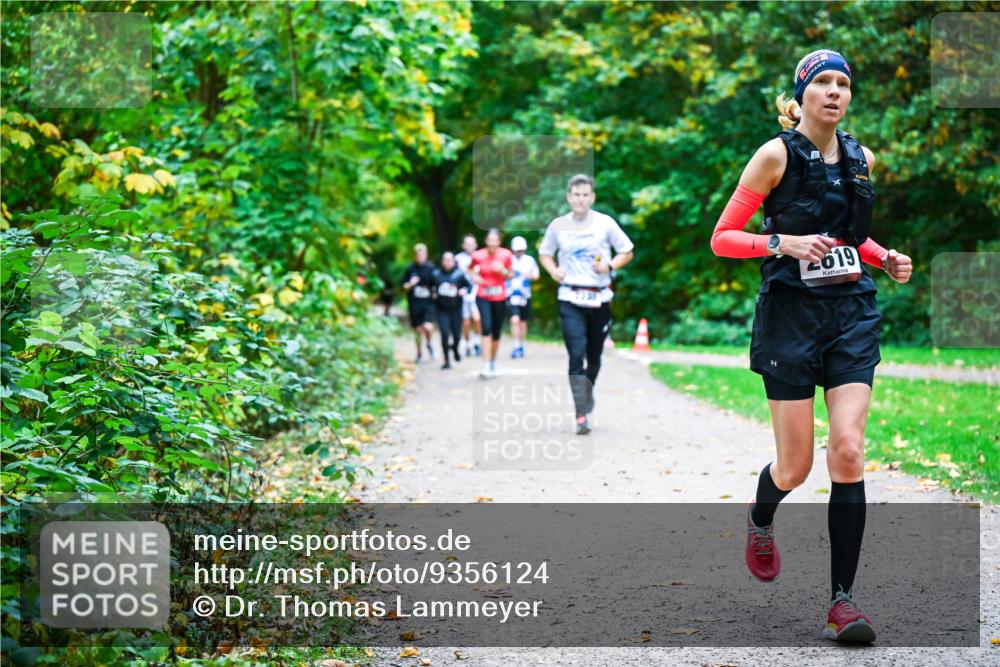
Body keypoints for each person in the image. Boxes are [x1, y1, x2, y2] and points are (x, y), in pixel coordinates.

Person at [709, 49, 912, 644]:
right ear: (801, 94)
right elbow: (723, 238)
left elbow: (851, 235)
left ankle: (842, 602)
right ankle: (761, 514)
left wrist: (884, 257)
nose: (834, 91)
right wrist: (783, 243)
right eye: (822, 81)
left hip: (850, 312)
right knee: (795, 467)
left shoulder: (861, 157)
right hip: (790, 319)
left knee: (848, 450)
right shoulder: (774, 154)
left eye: (843, 82)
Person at [539, 174, 634, 435]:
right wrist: (553, 270)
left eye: (585, 195)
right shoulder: (558, 225)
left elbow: (627, 250)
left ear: (591, 197)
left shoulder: (605, 223)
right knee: (576, 355)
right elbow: (545, 253)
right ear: (569, 197)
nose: (580, 199)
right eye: (576, 195)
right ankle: (581, 412)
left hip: (599, 297)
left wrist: (610, 265)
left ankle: (587, 392)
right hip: (569, 297)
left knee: (594, 358)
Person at [469, 228, 514, 378]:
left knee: (496, 331)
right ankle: (486, 364)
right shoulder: (478, 255)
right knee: (485, 327)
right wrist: (475, 277)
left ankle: (493, 361)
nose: (493, 243)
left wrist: (503, 271)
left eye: (496, 240)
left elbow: (511, 274)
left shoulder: (506, 254)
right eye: (490, 240)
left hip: (499, 297)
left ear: (499, 242)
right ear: (486, 241)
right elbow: (470, 270)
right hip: (483, 295)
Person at [432, 251, 472, 370]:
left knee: (456, 335)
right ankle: (446, 360)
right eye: (445, 260)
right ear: (442, 261)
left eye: (450, 260)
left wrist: (464, 291)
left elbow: (469, 286)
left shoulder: (459, 274)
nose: (448, 262)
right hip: (441, 310)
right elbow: (430, 287)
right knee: (444, 333)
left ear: (454, 261)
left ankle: (455, 348)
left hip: (456, 310)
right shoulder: (436, 274)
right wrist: (432, 293)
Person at [401, 243, 438, 363]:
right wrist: (411, 284)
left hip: (428, 303)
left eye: (422, 254)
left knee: (428, 326)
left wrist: (434, 293)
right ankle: (419, 353)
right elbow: (404, 287)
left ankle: (429, 343)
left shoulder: (431, 268)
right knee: (417, 330)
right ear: (415, 255)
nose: (420, 257)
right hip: (414, 303)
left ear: (426, 255)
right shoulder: (410, 269)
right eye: (418, 255)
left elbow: (437, 284)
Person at [506, 236, 540, 359]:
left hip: (525, 295)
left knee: (522, 323)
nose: (519, 252)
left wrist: (529, 275)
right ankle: (515, 345)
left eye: (521, 250)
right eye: (517, 250)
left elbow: (536, 275)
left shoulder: (530, 260)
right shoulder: (508, 260)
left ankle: (521, 345)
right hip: (511, 294)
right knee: (514, 320)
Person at [455, 234, 483, 358]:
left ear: (476, 245)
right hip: (464, 293)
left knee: (477, 319)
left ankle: (477, 342)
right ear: (463, 245)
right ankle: (467, 344)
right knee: (465, 321)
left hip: (477, 291)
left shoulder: (481, 256)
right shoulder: (458, 259)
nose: (470, 246)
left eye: (472, 243)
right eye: (467, 243)